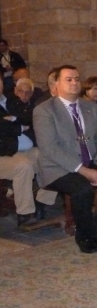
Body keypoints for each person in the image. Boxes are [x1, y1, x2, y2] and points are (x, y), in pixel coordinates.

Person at [33, 65, 97, 253]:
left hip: (92, 160)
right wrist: (85, 171)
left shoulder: (91, 107)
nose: (74, 83)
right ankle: (84, 236)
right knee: (82, 189)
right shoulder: (45, 110)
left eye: (77, 79)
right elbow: (50, 148)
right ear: (57, 84)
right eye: (68, 79)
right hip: (58, 166)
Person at [0, 74, 56, 225]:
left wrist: (13, 122)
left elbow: (30, 118)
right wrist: (17, 126)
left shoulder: (9, 101)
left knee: (52, 157)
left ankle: (42, 202)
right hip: (3, 153)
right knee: (23, 166)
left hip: (18, 149)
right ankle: (25, 213)